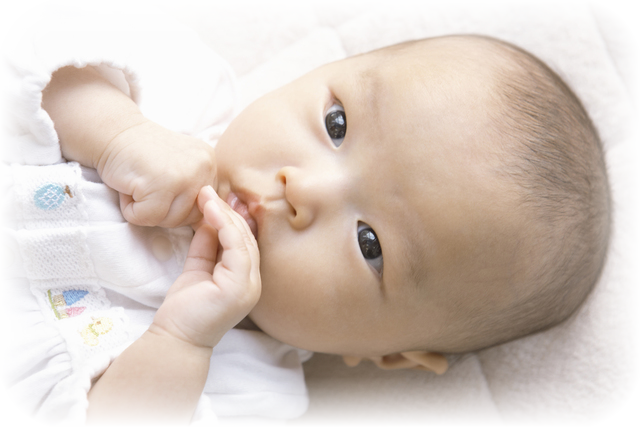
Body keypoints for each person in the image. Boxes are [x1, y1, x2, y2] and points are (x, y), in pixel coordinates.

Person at [0, 1, 610, 426]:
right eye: (336, 125)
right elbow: (19, 43)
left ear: (389, 354)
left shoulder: (248, 397)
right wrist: (116, 134)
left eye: (370, 244)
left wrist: (181, 341)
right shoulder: (173, 91)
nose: (303, 188)